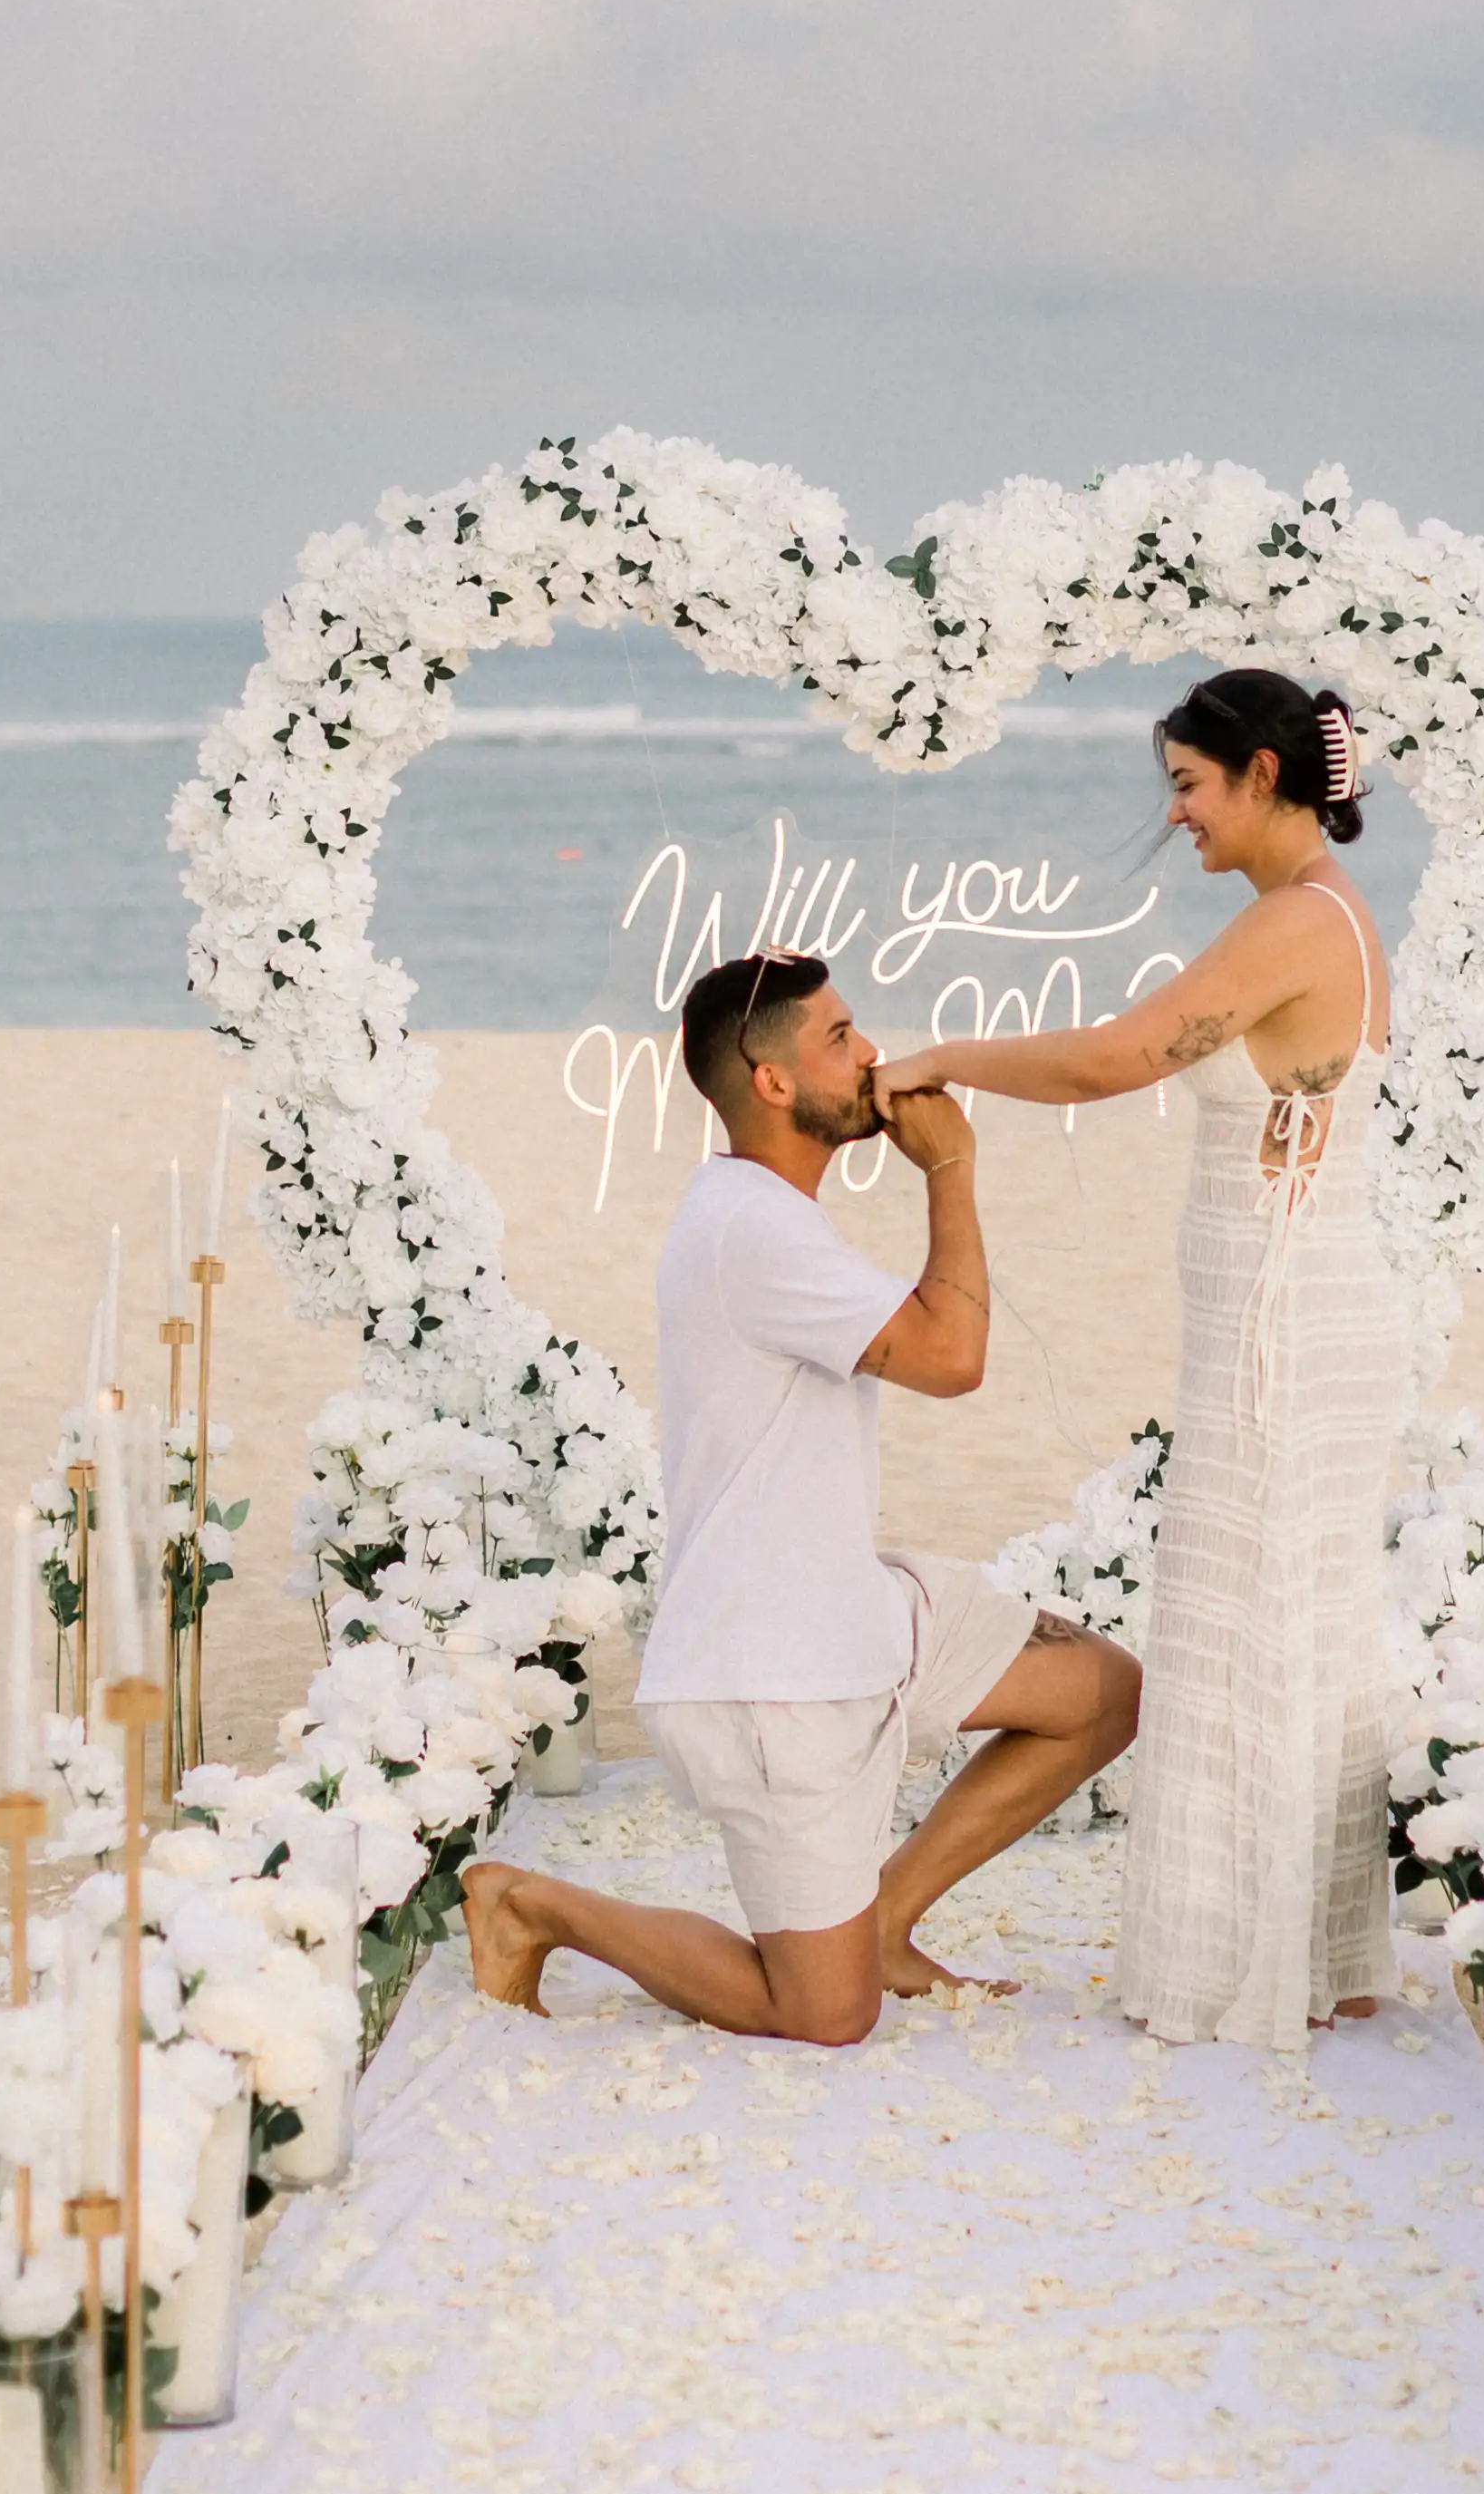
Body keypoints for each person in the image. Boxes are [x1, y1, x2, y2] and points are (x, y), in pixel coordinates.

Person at [461, 948, 1140, 2039]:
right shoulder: (754, 1229)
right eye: (838, 1038)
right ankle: (531, 1904)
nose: (871, 1054)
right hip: (769, 1672)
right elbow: (950, 1356)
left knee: (1101, 1693)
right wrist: (949, 1170)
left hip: (854, 1610)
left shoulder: (758, 1208)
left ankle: (885, 1919)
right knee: (825, 2019)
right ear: (771, 1083)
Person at [874, 667, 1407, 2052]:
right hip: (1286, 1305)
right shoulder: (1317, 917)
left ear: (1265, 779)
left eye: (1188, 783)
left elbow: (1119, 1059)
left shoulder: (1298, 921)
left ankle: (1252, 1961)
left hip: (1286, 1323)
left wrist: (947, 1057)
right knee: (1276, 1614)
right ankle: (1304, 1955)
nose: (1176, 815)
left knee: (1253, 1614)